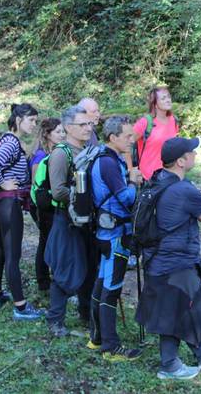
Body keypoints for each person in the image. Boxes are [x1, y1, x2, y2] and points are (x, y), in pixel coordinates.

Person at [136, 137, 201, 380]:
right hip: (174, 263)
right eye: (192, 152)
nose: (195, 155)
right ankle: (169, 365)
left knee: (191, 308)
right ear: (181, 161)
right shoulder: (185, 189)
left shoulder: (157, 179)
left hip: (159, 258)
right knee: (176, 312)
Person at [87, 116, 144, 361]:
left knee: (102, 282)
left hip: (106, 232)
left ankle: (96, 337)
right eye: (128, 136)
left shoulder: (106, 158)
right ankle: (111, 348)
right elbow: (127, 199)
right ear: (113, 138)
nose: (133, 140)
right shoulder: (109, 163)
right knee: (112, 288)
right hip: (115, 235)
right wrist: (133, 181)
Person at [0, 103, 44, 320]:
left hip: (4, 205)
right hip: (9, 204)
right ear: (18, 119)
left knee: (0, 250)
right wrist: (2, 183)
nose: (34, 124)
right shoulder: (11, 142)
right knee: (12, 255)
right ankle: (21, 307)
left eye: (36, 121)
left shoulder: (7, 139)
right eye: (31, 120)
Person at [45, 105, 94, 336]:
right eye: (82, 124)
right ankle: (55, 321)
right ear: (68, 127)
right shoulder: (60, 153)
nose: (88, 128)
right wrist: (82, 195)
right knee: (65, 269)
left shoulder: (90, 150)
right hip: (67, 220)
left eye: (89, 123)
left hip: (88, 221)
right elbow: (57, 191)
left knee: (88, 268)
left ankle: (87, 315)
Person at [29, 117, 64, 294]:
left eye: (63, 131)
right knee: (46, 241)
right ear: (47, 134)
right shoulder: (41, 155)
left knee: (49, 240)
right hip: (40, 206)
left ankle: (48, 279)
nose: (62, 135)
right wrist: (40, 209)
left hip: (50, 204)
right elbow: (36, 184)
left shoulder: (56, 151)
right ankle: (44, 281)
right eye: (58, 132)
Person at [133, 86, 180, 180]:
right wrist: (132, 170)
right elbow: (126, 143)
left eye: (168, 97)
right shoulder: (145, 122)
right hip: (150, 178)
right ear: (154, 104)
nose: (168, 100)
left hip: (170, 175)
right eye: (163, 98)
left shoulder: (173, 120)